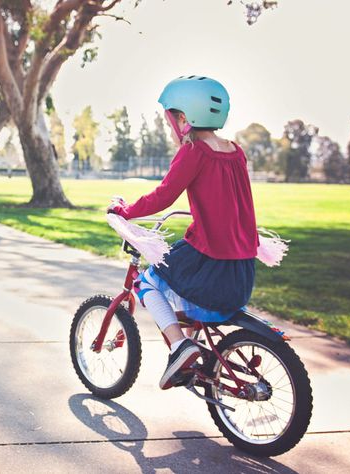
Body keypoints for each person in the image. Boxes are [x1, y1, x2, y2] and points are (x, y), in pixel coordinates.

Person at [108, 75, 258, 390]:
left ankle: (180, 345)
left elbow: (163, 196)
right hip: (241, 268)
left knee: (146, 281)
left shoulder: (195, 151)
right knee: (182, 282)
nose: (171, 127)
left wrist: (124, 211)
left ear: (183, 118)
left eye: (171, 119)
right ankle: (195, 358)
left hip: (211, 260)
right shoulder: (235, 151)